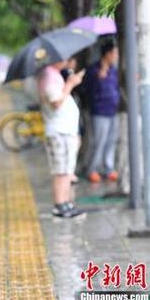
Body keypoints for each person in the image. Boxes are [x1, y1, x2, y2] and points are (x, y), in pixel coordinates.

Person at [37, 61, 86, 218]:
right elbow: (56, 102)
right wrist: (70, 84)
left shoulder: (53, 75)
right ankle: (60, 205)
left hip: (64, 130)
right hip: (59, 131)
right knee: (61, 170)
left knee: (66, 169)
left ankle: (65, 202)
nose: (66, 61)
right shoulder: (49, 76)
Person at [84, 40, 120, 183]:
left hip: (112, 110)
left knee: (111, 141)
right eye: (115, 53)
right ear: (108, 54)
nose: (116, 56)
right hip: (99, 111)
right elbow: (87, 89)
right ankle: (93, 169)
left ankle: (108, 168)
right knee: (99, 141)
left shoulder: (113, 71)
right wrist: (97, 78)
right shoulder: (94, 70)